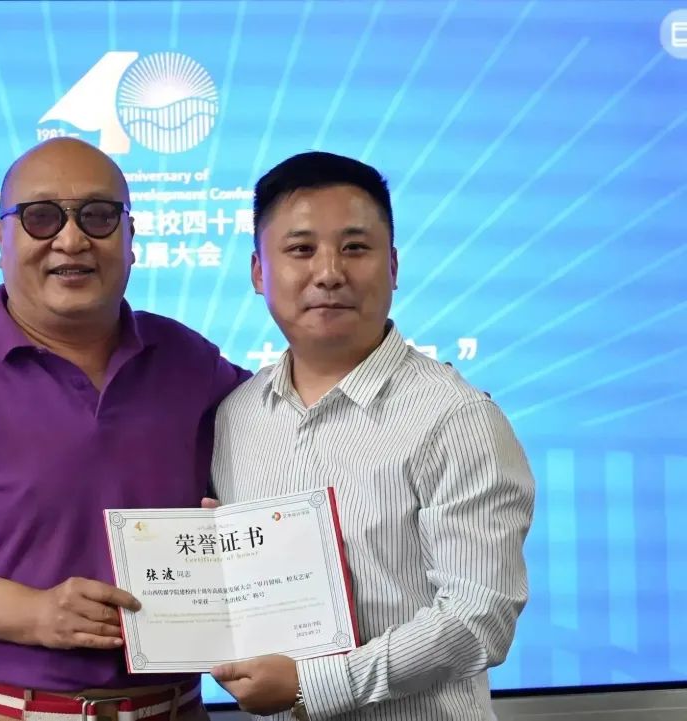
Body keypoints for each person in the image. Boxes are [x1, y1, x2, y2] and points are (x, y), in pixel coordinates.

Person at [0, 137, 248, 721]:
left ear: (130, 238)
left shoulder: (190, 361)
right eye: (41, 217)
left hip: (175, 709)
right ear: (0, 240)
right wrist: (35, 614)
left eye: (98, 216)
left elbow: (288, 456)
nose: (71, 240)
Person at [207, 151, 536, 721]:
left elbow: (478, 617)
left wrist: (313, 685)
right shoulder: (238, 416)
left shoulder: (455, 418)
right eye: (300, 249)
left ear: (394, 265)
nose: (329, 273)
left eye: (355, 248)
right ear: (259, 272)